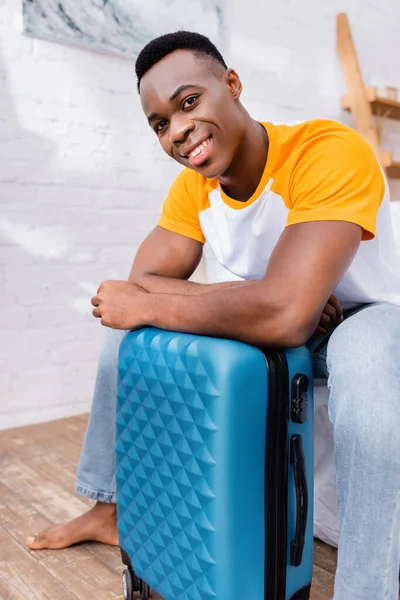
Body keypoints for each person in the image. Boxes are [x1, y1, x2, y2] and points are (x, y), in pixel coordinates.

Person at [26, 31, 400, 600]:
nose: (177, 130)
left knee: (363, 352)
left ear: (232, 85)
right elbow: (143, 286)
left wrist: (277, 301)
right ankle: (109, 507)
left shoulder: (326, 149)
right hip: (290, 318)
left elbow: (283, 317)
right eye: (159, 124)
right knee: (128, 331)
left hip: (369, 317)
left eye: (188, 102)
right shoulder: (194, 190)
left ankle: (368, 590)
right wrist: (270, 295)